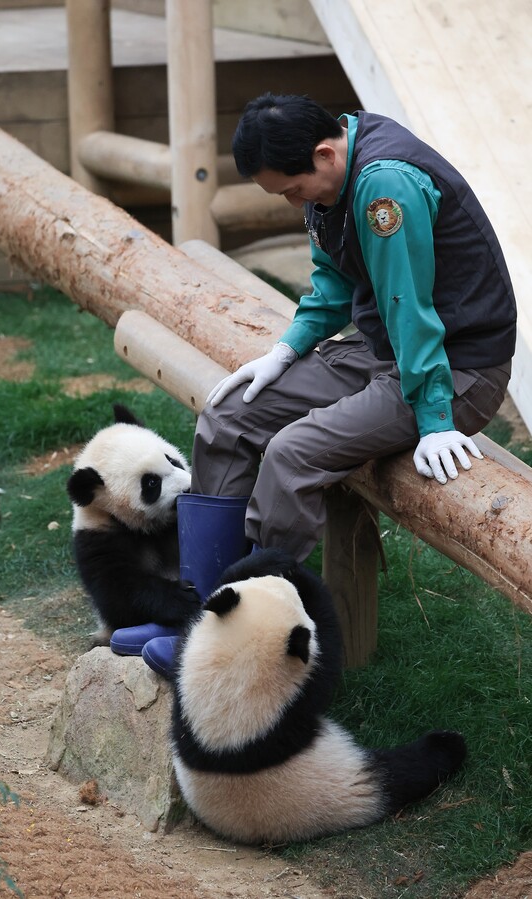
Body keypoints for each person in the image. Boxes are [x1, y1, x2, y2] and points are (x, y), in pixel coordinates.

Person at [139, 93, 517, 677]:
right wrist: (285, 351)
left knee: (293, 455)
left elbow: (409, 308)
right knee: (229, 418)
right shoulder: (329, 177)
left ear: (323, 153)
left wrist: (436, 418)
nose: (293, 201)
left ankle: (245, 642)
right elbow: (334, 284)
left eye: (292, 189)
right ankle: (199, 608)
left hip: (453, 366)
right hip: (380, 347)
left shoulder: (384, 187)